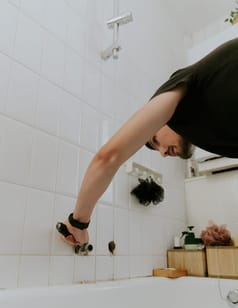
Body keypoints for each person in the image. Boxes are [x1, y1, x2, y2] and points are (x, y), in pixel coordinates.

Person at [57, 37, 238, 247]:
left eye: (154, 138)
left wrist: (77, 223)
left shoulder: (180, 89)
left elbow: (109, 157)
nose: (162, 153)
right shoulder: (219, 141)